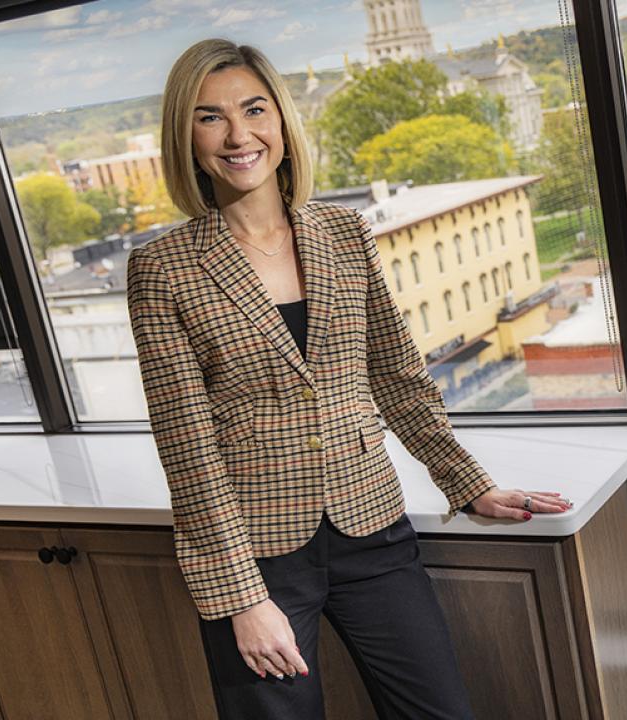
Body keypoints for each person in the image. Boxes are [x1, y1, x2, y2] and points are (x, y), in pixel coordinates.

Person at [126, 38, 572, 719]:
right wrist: (243, 598)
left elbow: (396, 375)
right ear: (185, 137)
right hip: (259, 553)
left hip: (373, 529)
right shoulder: (163, 269)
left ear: (282, 120)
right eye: (211, 117)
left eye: (254, 109)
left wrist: (468, 482)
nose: (239, 134)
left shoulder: (345, 233)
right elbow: (186, 448)